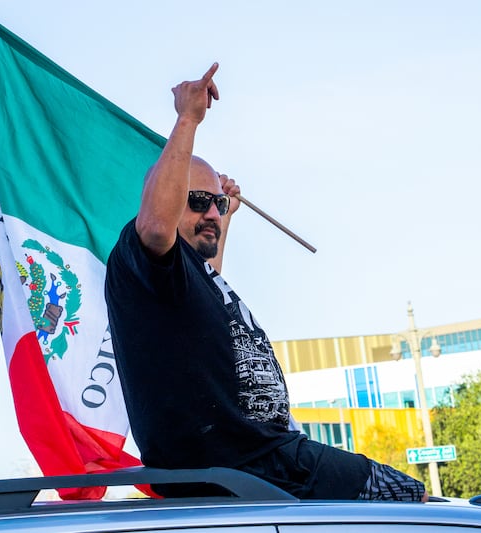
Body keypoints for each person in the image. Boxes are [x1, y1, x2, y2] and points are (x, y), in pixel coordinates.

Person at [105, 63, 428, 502]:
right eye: (198, 202)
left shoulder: (192, 278)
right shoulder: (143, 257)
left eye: (217, 203)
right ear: (165, 197)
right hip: (250, 462)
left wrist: (225, 216)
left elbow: (207, 290)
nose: (213, 213)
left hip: (264, 460)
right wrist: (187, 121)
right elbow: (158, 227)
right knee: (404, 497)